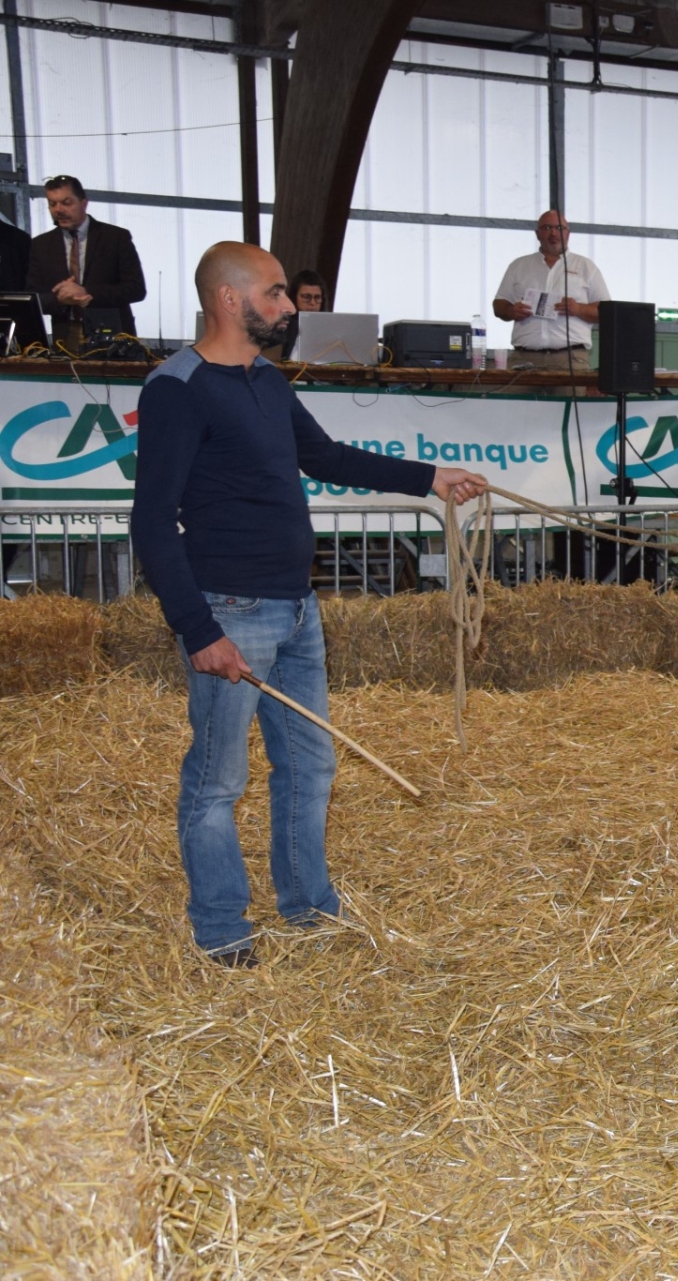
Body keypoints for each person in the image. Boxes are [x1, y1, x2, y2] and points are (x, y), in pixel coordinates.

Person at [129, 241, 487, 966]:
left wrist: (431, 478)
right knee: (217, 781)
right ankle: (223, 927)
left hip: (296, 609)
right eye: (276, 293)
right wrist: (198, 628)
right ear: (230, 300)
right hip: (228, 609)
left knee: (311, 765)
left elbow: (325, 457)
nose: (290, 307)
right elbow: (150, 520)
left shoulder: (265, 379)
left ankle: (307, 905)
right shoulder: (178, 387)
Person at [24, 175, 146, 344]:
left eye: (66, 203)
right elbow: (32, 298)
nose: (58, 210)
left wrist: (86, 292)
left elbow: (136, 289)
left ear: (84, 202)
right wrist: (59, 300)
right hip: (64, 338)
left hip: (113, 339)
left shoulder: (115, 237)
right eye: (52, 204)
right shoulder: (41, 244)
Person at [492, 209, 610, 370]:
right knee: (507, 395)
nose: (553, 233)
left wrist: (578, 308)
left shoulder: (586, 267)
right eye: (547, 228)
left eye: (560, 228)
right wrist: (511, 310)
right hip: (524, 357)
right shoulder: (519, 265)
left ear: (568, 233)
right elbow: (498, 305)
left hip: (571, 358)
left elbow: (607, 312)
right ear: (537, 234)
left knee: (570, 396)